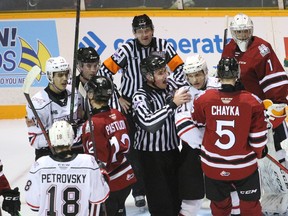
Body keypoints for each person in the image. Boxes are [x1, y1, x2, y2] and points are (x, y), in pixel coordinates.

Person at [99, 13, 187, 208]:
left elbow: (180, 69)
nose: (144, 34)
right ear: (134, 33)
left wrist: (172, 88)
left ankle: (166, 191)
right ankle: (140, 190)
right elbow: (104, 72)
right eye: (140, 31)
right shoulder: (127, 49)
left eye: (147, 30)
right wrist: (118, 97)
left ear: (152, 30)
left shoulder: (164, 46)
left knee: (164, 142)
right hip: (133, 104)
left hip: (160, 100)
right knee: (136, 150)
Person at [192, 57, 268, 216]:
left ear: (218, 75)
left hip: (213, 166)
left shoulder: (204, 98)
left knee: (219, 208)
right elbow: (258, 137)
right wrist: (261, 151)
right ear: (238, 74)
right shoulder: (252, 101)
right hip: (243, 167)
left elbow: (197, 123)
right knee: (250, 208)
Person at [222, 13, 288, 165]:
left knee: (277, 143)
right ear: (233, 32)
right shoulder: (228, 49)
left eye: (245, 31)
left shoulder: (262, 48)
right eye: (238, 32)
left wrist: (275, 103)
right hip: (242, 108)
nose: (242, 35)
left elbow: (274, 77)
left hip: (264, 106)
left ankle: (283, 172)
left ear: (251, 31)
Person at [132, 54, 191, 215]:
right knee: (160, 201)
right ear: (149, 77)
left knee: (176, 198)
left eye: (165, 70)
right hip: (150, 157)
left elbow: (191, 84)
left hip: (172, 151)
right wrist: (172, 104)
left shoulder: (170, 85)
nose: (165, 75)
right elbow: (149, 124)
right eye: (160, 73)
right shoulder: (140, 96)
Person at [25, 120, 110, 215]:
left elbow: (34, 205)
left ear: (51, 139)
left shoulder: (40, 165)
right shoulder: (88, 163)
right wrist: (102, 174)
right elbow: (99, 197)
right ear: (72, 138)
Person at [82, 76, 137, 215]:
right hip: (126, 177)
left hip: (109, 182)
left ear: (90, 95)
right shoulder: (117, 114)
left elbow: (97, 161)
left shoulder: (93, 124)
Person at [25, 56, 81, 160]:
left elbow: (81, 123)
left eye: (66, 74)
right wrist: (61, 135)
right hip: (48, 153)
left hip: (73, 150)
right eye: (60, 75)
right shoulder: (38, 103)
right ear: (50, 76)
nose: (65, 78)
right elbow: (34, 140)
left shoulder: (74, 93)